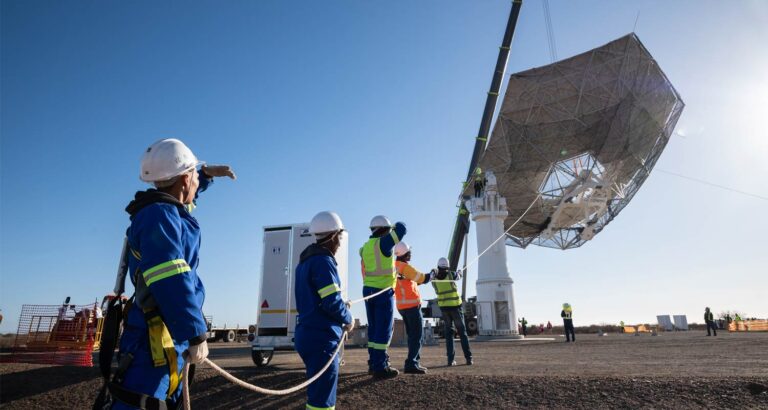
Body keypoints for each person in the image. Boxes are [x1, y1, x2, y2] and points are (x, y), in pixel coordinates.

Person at [112, 138, 235, 409]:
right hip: (156, 340)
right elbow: (171, 279)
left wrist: (204, 176)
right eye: (193, 173)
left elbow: (184, 197)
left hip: (168, 334)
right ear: (182, 178)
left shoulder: (165, 211)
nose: (195, 181)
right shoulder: (159, 216)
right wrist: (195, 333)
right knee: (143, 401)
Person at [295, 211, 354, 410]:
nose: (339, 242)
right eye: (339, 237)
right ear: (332, 236)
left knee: (317, 398)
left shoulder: (304, 262)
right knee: (322, 402)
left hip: (308, 334)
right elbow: (331, 301)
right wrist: (348, 318)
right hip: (322, 338)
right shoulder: (323, 262)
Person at [361, 215, 407, 379]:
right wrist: (393, 226)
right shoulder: (384, 243)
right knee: (384, 329)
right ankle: (380, 366)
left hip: (368, 290)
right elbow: (402, 228)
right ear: (384, 230)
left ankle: (373, 364)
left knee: (374, 328)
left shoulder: (365, 246)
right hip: (383, 292)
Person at [393, 241, 432, 374]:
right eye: (409, 252)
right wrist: (433, 274)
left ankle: (413, 362)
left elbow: (408, 283)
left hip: (401, 306)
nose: (411, 254)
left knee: (412, 336)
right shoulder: (405, 267)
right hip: (412, 306)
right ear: (405, 254)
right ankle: (412, 364)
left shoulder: (394, 266)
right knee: (417, 336)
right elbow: (422, 278)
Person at [432, 258, 472, 366]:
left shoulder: (434, 278)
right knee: (462, 333)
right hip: (455, 307)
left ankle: (450, 360)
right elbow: (459, 276)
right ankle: (468, 358)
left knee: (449, 335)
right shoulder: (451, 275)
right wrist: (459, 272)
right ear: (447, 266)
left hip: (444, 309)